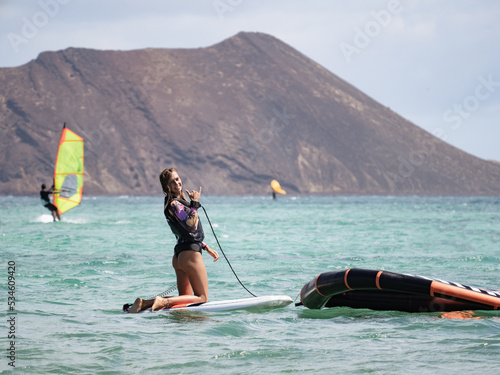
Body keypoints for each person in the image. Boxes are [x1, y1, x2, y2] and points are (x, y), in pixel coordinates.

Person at [128, 168, 219, 313]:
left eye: (177, 179)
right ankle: (163, 300)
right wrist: (194, 203)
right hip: (189, 255)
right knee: (202, 297)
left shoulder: (174, 203)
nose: (177, 183)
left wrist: (205, 246)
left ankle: (145, 303)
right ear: (166, 187)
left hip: (180, 256)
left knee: (185, 299)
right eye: (172, 181)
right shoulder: (174, 204)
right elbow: (190, 226)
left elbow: (185, 232)